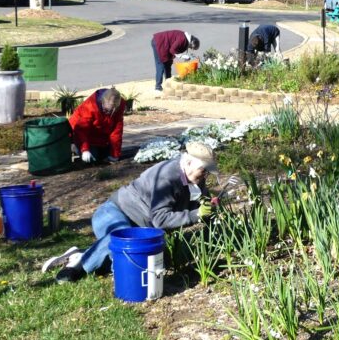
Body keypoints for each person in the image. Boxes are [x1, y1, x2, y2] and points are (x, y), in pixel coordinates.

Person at [45, 141, 218, 283]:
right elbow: (160, 219)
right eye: (204, 171)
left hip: (142, 228)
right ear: (188, 163)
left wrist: (210, 208)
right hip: (113, 214)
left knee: (151, 262)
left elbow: (202, 203)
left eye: (207, 173)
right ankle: (78, 266)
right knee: (122, 238)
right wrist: (195, 215)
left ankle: (82, 253)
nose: (205, 177)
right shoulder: (167, 177)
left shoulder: (194, 178)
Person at [68, 87, 124, 164]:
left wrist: (115, 154)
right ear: (102, 102)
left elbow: (117, 131)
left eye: (112, 111)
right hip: (79, 131)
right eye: (106, 110)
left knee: (106, 155)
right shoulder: (90, 106)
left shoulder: (119, 106)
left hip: (100, 131)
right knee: (92, 158)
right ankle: (74, 146)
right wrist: (85, 149)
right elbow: (81, 130)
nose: (108, 113)